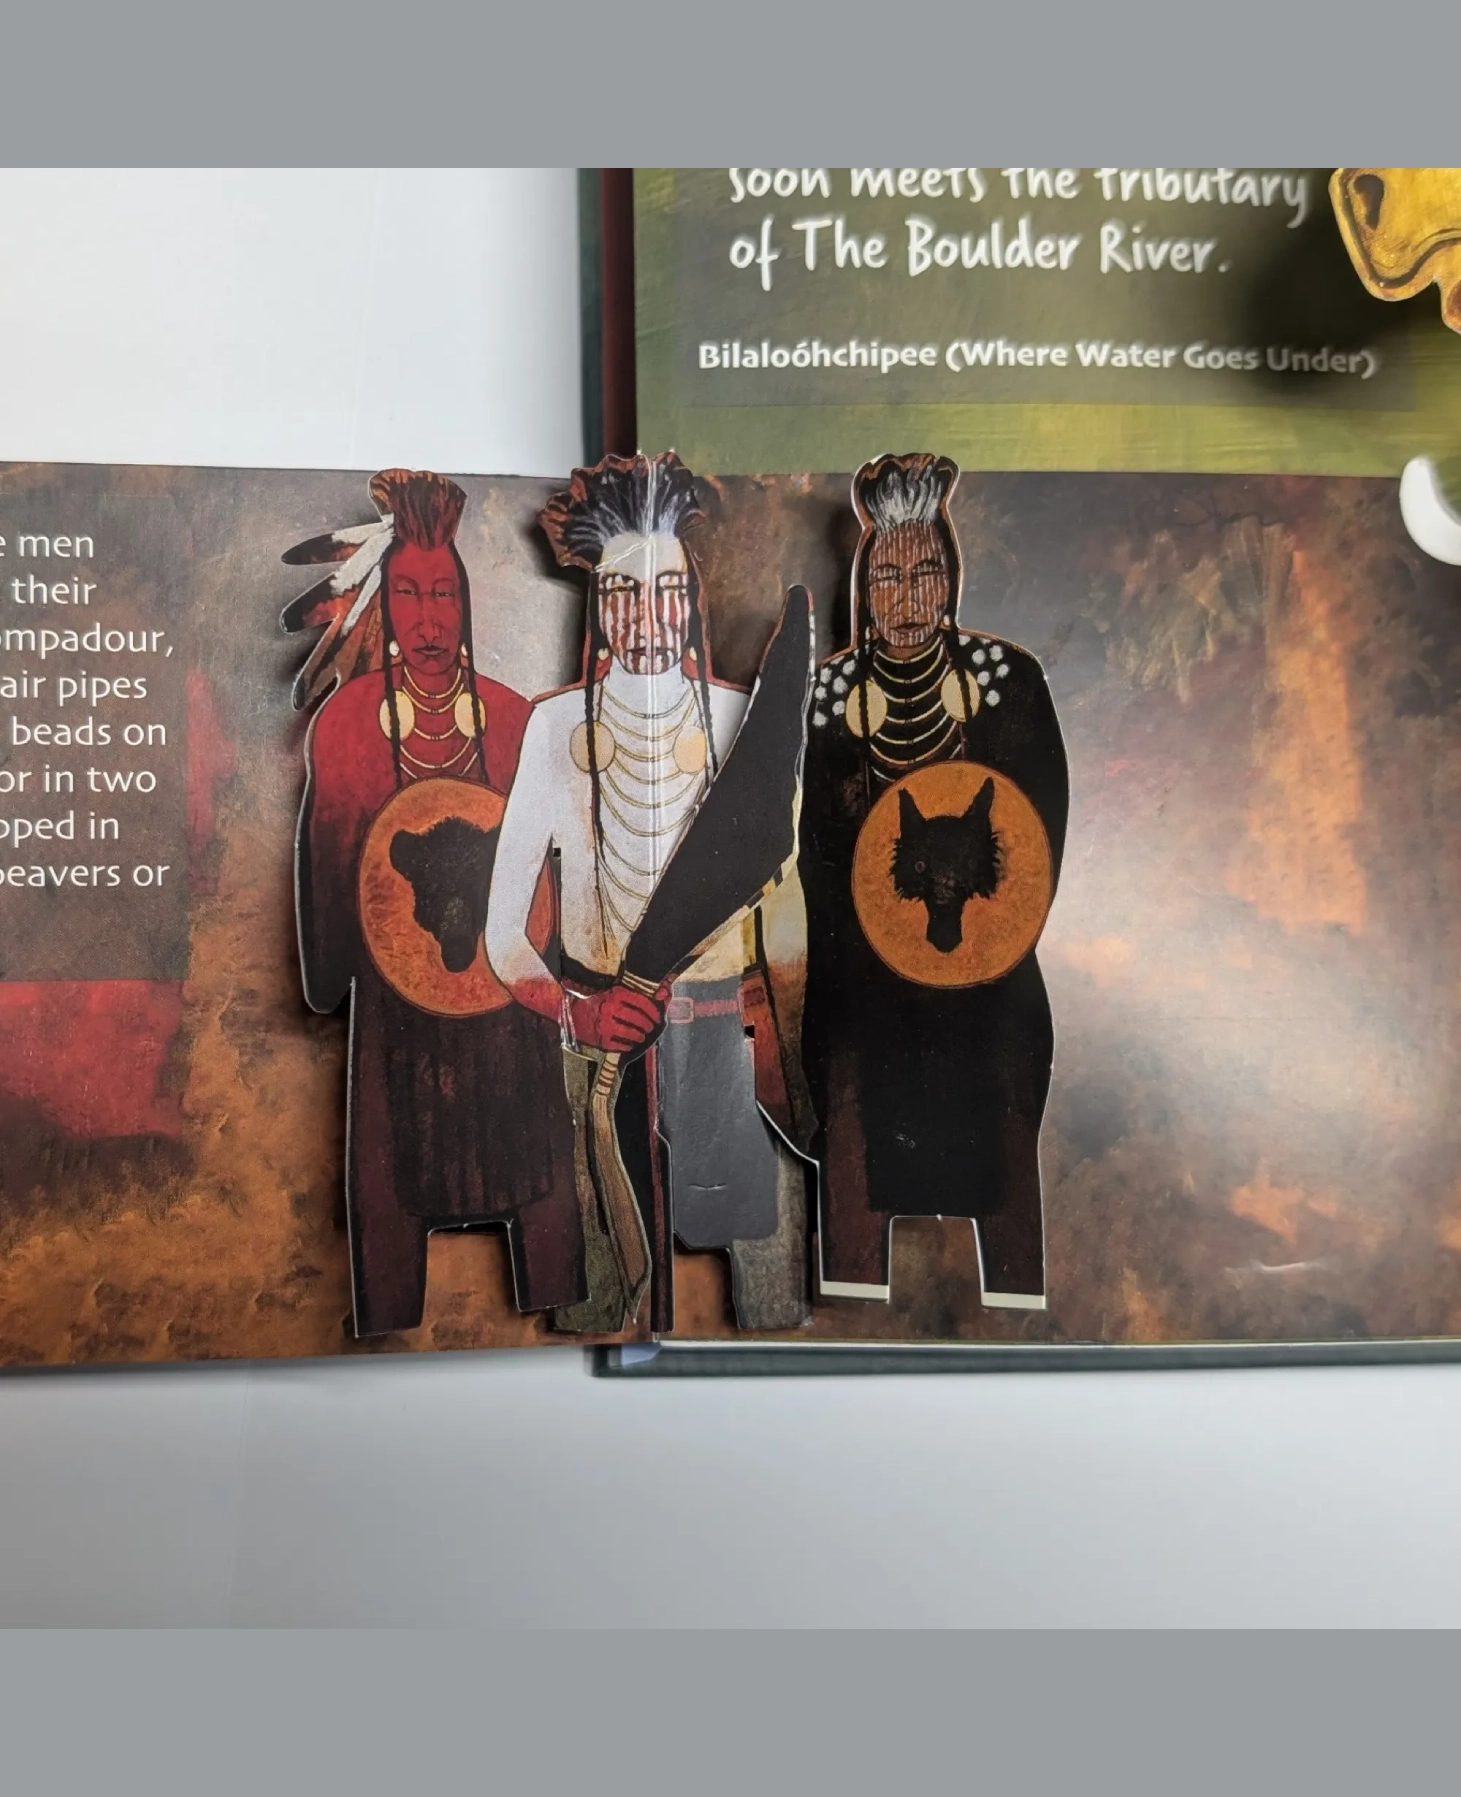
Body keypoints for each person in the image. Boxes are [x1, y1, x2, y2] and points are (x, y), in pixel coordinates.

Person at [486, 452, 807, 1333]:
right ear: (598, 604)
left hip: (728, 1044)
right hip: (595, 1046)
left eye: (666, 587)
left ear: (692, 594)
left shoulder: (745, 720)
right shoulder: (555, 729)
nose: (648, 614)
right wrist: (574, 1013)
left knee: (765, 1270)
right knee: (600, 1290)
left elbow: (788, 910)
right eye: (623, 591)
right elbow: (501, 934)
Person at [290, 468, 585, 1336]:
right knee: (388, 1175)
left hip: (509, 1010)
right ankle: (386, 1309)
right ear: (383, 602)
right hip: (393, 1018)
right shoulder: (343, 725)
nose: (428, 619)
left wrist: (550, 974)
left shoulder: (512, 717)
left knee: (540, 1166)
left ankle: (559, 1291)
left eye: (443, 595)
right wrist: (331, 974)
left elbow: (550, 879)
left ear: (466, 604)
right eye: (409, 593)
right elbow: (325, 865)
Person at [798, 452, 1069, 1307]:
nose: (907, 597)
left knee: (1005, 1151)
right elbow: (804, 852)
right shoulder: (823, 697)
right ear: (861, 584)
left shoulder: (1006, 684)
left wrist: (966, 940)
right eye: (886, 574)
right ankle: (848, 1304)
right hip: (859, 994)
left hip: (987, 983)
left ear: (950, 580)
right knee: (850, 1150)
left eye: (925, 572)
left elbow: (1036, 847)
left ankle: (1017, 1309)